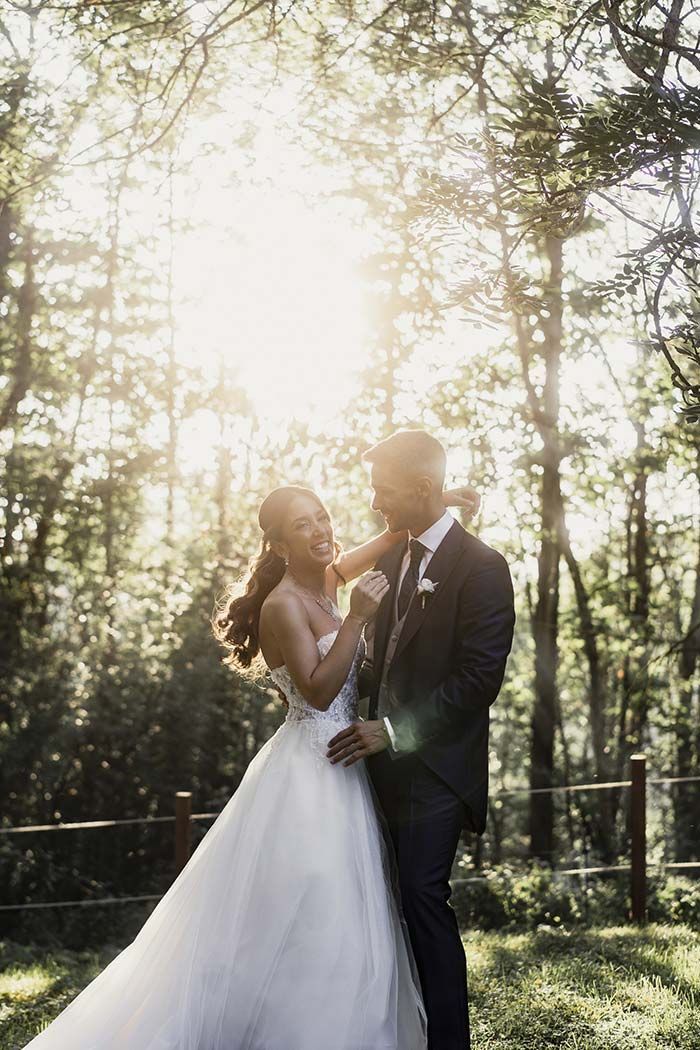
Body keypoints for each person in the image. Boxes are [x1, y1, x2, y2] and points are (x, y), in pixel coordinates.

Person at [20, 478, 477, 1050]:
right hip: (310, 770)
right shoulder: (283, 604)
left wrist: (438, 501)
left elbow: (390, 535)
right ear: (279, 545)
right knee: (313, 893)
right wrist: (357, 619)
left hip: (347, 765)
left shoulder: (328, 579)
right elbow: (317, 691)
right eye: (302, 525)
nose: (320, 530)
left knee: (348, 904)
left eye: (322, 516)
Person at [327, 430, 516, 1050]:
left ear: (423, 487)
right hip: (372, 766)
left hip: (436, 769)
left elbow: (477, 681)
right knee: (378, 900)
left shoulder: (483, 568)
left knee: (421, 896)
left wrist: (393, 731)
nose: (375, 502)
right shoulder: (391, 557)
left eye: (383, 490)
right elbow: (375, 657)